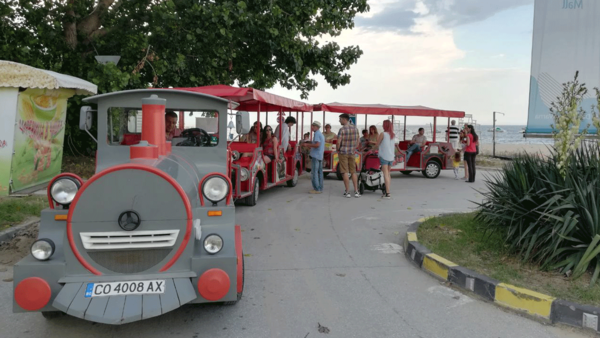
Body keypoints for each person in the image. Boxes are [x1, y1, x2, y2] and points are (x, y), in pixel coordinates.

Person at [337, 113, 360, 198]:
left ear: (344, 119)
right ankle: (356, 191)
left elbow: (338, 141)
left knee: (344, 172)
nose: (339, 121)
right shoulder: (355, 129)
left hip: (343, 152)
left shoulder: (342, 129)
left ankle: (348, 192)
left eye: (340, 119)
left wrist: (337, 149)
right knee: (353, 171)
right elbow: (358, 141)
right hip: (352, 152)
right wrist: (354, 148)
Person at [303, 121, 325, 194]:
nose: (312, 127)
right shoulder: (320, 134)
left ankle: (316, 189)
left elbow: (317, 145)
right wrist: (310, 145)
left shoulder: (317, 134)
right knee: (319, 172)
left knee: (314, 173)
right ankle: (320, 187)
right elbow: (316, 144)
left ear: (316, 127)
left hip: (316, 156)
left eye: (313, 126)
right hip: (320, 155)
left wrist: (307, 145)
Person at [375, 120, 395, 199]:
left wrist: (372, 149)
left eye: (383, 125)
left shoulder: (382, 134)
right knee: (388, 174)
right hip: (391, 157)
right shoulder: (393, 135)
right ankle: (388, 191)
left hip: (384, 156)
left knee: (385, 174)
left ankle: (387, 193)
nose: (382, 126)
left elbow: (377, 144)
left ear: (385, 126)